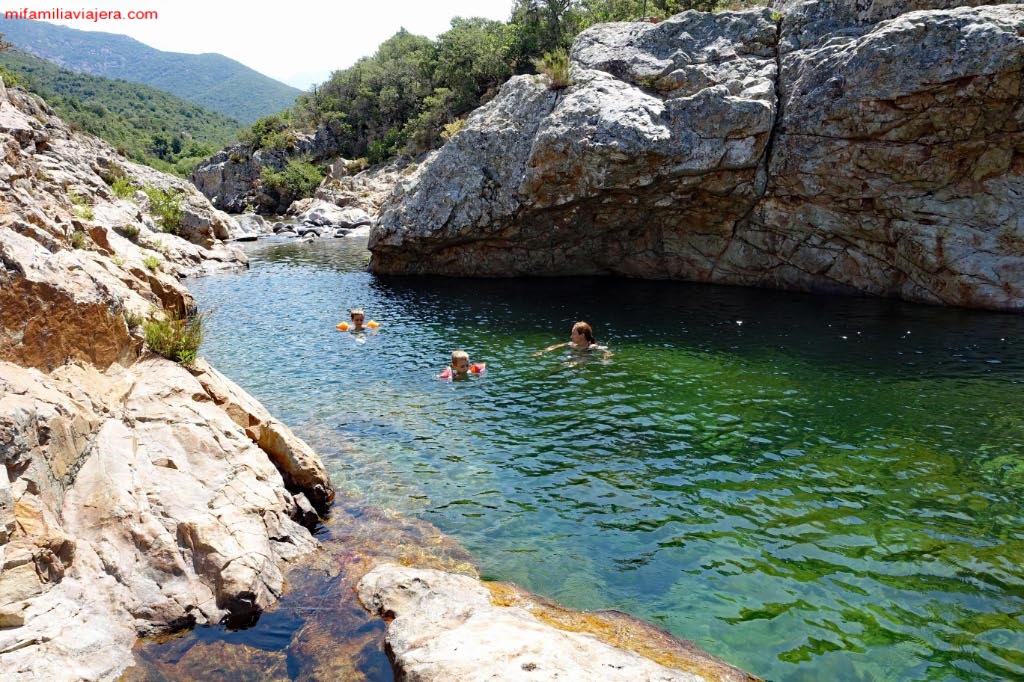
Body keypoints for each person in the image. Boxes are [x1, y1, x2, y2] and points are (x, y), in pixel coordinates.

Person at [537, 321, 611, 356]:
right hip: (573, 360)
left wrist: (605, 358)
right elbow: (555, 346)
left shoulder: (591, 346)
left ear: (582, 335)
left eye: (573, 334)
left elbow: (608, 352)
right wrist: (543, 351)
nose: (571, 336)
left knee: (574, 363)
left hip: (582, 362)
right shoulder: (572, 344)